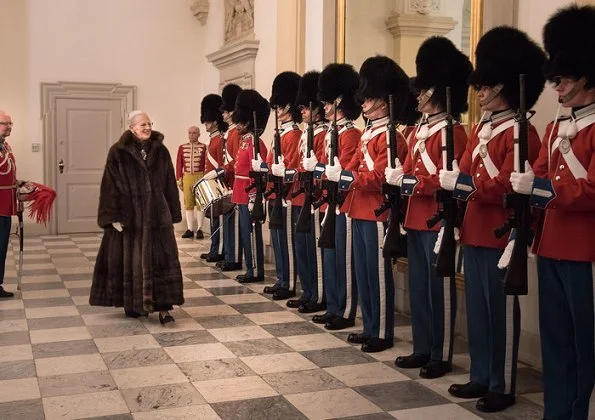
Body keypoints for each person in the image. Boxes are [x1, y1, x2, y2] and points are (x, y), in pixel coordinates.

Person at [439, 27, 545, 412]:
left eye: (485, 87)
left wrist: (465, 183)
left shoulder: (522, 132)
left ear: (502, 87)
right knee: (479, 312)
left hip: (502, 235)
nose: (479, 93)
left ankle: (502, 382)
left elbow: (506, 186)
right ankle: (481, 374)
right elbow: (468, 170)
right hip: (475, 230)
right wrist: (461, 181)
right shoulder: (484, 128)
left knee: (500, 313)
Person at [509, 5, 595, 419]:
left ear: (585, 77)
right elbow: (540, 175)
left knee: (586, 342)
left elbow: (591, 190)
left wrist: (542, 188)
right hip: (551, 245)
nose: (556, 86)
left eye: (562, 79)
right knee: (555, 339)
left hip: (585, 249)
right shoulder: (556, 129)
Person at [388, 37, 472, 376]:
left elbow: (449, 180)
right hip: (415, 218)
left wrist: (415, 183)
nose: (418, 95)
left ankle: (441, 352)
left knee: (440, 290)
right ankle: (423, 347)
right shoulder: (418, 130)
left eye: (423, 90)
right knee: (420, 288)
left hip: (438, 220)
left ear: (437, 92)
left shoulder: (454, 131)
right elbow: (411, 168)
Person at [326, 56, 410, 353]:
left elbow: (378, 178)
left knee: (378, 275)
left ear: (385, 102)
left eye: (370, 97)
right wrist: (340, 171)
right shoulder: (370, 134)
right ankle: (370, 325)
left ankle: (383, 331)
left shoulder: (391, 136)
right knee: (363, 273)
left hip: (377, 211)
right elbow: (354, 165)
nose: (363, 102)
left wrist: (347, 176)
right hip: (358, 208)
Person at [90, 111, 184, 325]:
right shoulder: (118, 152)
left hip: (157, 217)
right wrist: (112, 215)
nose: (148, 127)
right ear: (131, 127)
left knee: (161, 261)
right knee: (131, 262)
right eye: (143, 124)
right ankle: (134, 304)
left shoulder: (160, 151)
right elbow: (109, 185)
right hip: (129, 218)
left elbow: (170, 182)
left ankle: (164, 308)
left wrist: (172, 212)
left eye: (149, 123)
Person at [303, 64, 362, 330]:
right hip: (328, 200)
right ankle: (334, 305)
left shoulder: (351, 133)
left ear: (339, 101)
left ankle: (347, 310)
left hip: (343, 203)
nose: (324, 107)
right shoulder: (330, 132)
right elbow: (328, 168)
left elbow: (345, 169)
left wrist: (323, 170)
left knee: (342, 260)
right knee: (329, 255)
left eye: (328, 103)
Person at [253, 72, 302, 300]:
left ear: (288, 106)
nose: (277, 110)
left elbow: (290, 166)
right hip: (275, 192)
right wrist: (264, 167)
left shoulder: (294, 134)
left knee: (287, 242)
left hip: (287, 195)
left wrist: (273, 169)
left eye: (280, 106)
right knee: (277, 238)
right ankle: (282, 278)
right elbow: (274, 163)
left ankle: (289, 282)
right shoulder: (280, 133)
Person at [289, 70, 328, 313]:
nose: (302, 112)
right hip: (300, 194)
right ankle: (309, 291)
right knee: (302, 248)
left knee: (314, 251)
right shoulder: (306, 133)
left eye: (305, 108)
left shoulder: (324, 133)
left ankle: (319, 294)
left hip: (315, 197)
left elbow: (323, 165)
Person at [232, 90, 269, 283]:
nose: (237, 125)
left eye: (240, 122)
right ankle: (249, 268)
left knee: (252, 234)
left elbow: (261, 172)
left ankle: (255, 270)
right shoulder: (245, 141)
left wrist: (256, 197)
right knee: (245, 233)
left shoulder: (256, 142)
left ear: (247, 122)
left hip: (250, 194)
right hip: (241, 192)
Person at [217, 84, 244, 272]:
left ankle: (234, 257)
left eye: (226, 112)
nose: (224, 115)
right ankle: (228, 254)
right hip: (228, 181)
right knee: (228, 221)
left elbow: (235, 159)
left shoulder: (236, 133)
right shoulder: (230, 132)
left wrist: (224, 170)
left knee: (233, 223)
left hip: (235, 181)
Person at [200, 94, 229, 263]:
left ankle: (219, 250)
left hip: (217, 183)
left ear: (216, 121)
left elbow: (221, 163)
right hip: (210, 182)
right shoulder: (213, 139)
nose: (206, 124)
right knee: (213, 217)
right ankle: (214, 247)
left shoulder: (219, 140)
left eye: (208, 121)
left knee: (218, 218)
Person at [176, 125, 206, 239]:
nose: (192, 135)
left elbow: (205, 164)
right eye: (190, 133)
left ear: (198, 134)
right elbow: (179, 164)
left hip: (200, 176)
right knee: (188, 204)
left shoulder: (204, 147)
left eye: (194, 133)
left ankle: (200, 229)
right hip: (187, 176)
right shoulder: (182, 147)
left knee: (200, 204)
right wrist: (179, 179)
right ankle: (189, 228)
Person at [0, 110, 16, 298]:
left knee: (2, 246)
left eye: (11, 124)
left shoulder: (5, 146)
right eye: (6, 123)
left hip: (6, 206)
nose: (10, 127)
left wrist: (19, 185)